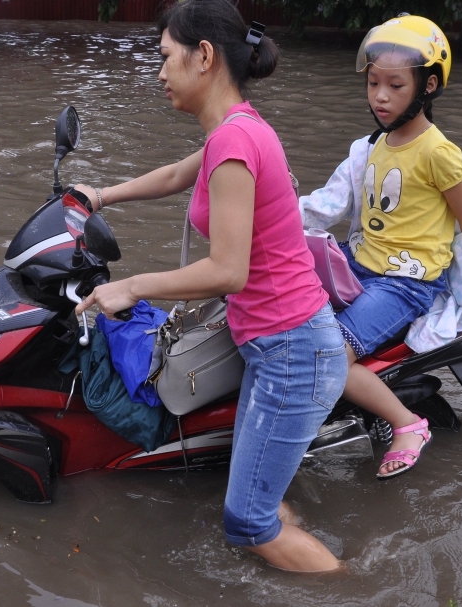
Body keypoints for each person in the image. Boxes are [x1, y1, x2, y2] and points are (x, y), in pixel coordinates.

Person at [73, 0, 348, 573]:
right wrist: (98, 196)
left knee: (247, 522)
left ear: (203, 57)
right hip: (277, 345)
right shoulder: (234, 130)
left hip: (292, 350)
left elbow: (229, 271)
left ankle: (358, 587)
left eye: (166, 57)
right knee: (253, 502)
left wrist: (132, 286)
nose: (159, 72)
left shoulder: (233, 141)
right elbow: (177, 175)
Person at [298, 16, 462, 480]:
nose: (380, 96)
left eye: (395, 85)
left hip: (405, 283)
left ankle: (408, 424)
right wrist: (263, 215)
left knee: (331, 356)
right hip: (358, 263)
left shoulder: (438, 152)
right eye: (374, 83)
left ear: (428, 86)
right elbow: (323, 206)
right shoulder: (370, 147)